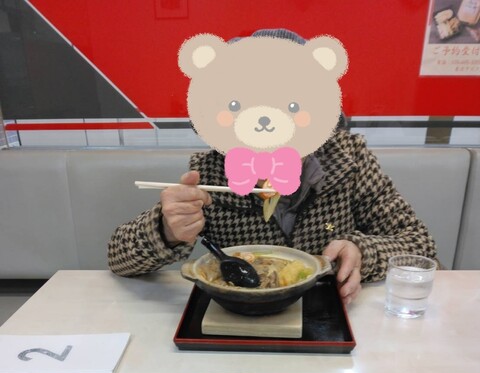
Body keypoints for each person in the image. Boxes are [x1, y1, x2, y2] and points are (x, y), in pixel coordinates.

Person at [107, 29, 438, 305]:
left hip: (327, 310)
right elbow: (118, 258)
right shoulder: (210, 172)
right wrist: (166, 230)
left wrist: (361, 250)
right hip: (240, 313)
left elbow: (419, 244)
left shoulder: (349, 160)